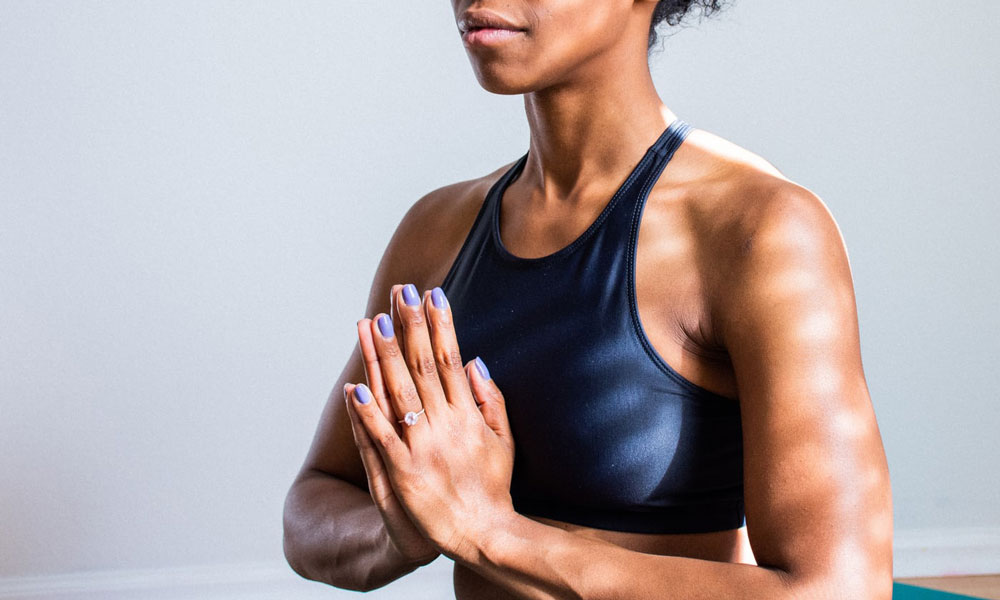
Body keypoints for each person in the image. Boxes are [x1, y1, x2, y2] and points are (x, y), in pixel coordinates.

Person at [282, 1, 894, 597]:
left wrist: (491, 535)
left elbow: (840, 588)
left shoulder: (758, 229)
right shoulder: (435, 229)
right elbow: (314, 501)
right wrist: (406, 529)